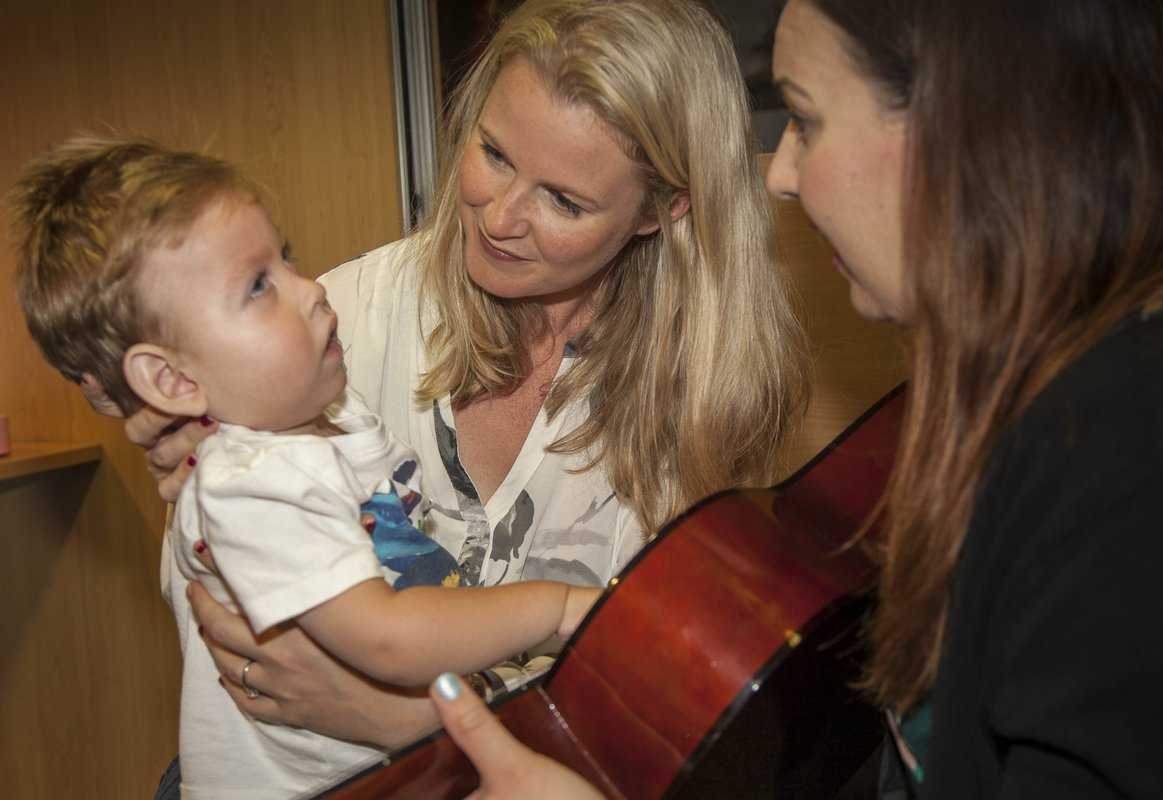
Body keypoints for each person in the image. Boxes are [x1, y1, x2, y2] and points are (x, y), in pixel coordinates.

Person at [421, 0, 1163, 797]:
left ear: (971, 126)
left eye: (805, 117)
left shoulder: (1138, 455)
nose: (782, 176)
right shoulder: (1028, 410)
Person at [82, 0, 809, 774]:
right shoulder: (338, 320)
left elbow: (662, 724)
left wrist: (416, 722)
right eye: (493, 153)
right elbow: (219, 609)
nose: (497, 218)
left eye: (563, 201)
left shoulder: (703, 411)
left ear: (663, 211)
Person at [12, 136, 602, 798]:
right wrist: (556, 605)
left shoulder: (332, 419)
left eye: (285, 258)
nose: (312, 291)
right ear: (171, 381)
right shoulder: (252, 485)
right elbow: (388, 640)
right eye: (259, 285)